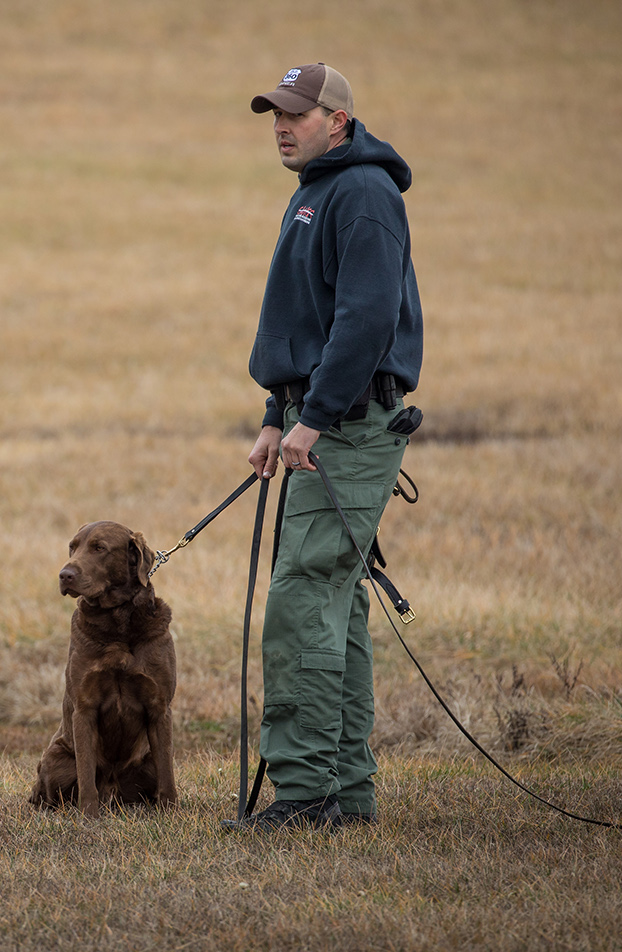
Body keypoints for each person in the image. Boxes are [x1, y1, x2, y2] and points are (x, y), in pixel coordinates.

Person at [225, 63, 424, 832]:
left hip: (346, 427)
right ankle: (347, 797)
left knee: (304, 598)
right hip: (317, 420)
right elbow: (306, 319)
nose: (281, 125)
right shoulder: (314, 191)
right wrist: (279, 412)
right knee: (332, 606)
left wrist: (316, 417)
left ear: (338, 120)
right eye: (275, 113)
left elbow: (366, 319)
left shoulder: (364, 194)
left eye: (297, 114)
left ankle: (307, 795)